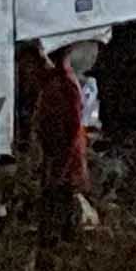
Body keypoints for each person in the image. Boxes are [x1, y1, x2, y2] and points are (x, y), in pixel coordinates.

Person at [26, 41, 93, 243]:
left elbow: (70, 132)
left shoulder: (61, 85)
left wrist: (59, 171)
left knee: (57, 217)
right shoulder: (58, 83)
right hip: (61, 167)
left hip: (63, 169)